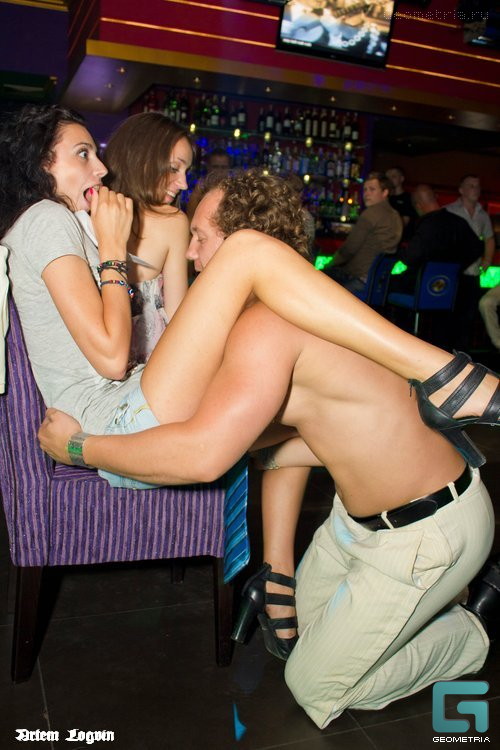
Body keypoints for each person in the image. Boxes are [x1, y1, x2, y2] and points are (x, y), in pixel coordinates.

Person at [38, 170, 500, 729]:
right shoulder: (287, 314)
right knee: (309, 628)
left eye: (201, 237)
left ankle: (471, 628)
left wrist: (79, 447)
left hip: (427, 533)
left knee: (314, 685)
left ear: (242, 243)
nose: (191, 253)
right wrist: (276, 571)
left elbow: (203, 456)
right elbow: (276, 453)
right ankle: (425, 601)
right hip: (354, 526)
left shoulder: (267, 327)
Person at [1, 106, 497, 489]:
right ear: (39, 162)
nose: (101, 167)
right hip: (111, 420)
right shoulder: (45, 219)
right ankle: (445, 378)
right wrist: (113, 250)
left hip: (133, 404)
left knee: (303, 379)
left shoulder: (67, 225)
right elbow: (111, 358)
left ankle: (424, 422)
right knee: (246, 252)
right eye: (83, 154)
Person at [99, 112, 191, 363]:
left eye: (186, 171)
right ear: (140, 158)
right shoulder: (84, 212)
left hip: (148, 368)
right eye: (174, 168)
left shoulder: (174, 222)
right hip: (104, 367)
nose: (184, 184)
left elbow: (178, 321)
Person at [390, 184, 485, 350]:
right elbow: (478, 247)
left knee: (391, 286)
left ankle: (399, 345)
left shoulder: (426, 225)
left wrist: (397, 259)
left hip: (423, 291)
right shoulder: (458, 221)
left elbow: (411, 257)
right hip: (452, 292)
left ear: (418, 205)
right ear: (435, 198)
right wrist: (455, 268)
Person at [324, 172, 402, 294]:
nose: (366, 194)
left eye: (372, 189)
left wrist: (330, 263)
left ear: (385, 192)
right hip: (380, 282)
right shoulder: (395, 215)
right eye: (365, 189)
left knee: (316, 278)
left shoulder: (371, 213)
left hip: (359, 280)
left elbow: (349, 249)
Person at [446, 174, 495, 271]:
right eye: (471, 186)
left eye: (478, 186)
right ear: (461, 190)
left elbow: (489, 238)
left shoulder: (483, 215)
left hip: (474, 270)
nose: (476, 189)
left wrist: (488, 260)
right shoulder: (448, 211)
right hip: (453, 269)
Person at [185, 147, 231, 223]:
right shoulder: (200, 189)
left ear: (228, 168)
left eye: (223, 167)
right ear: (208, 167)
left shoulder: (233, 189)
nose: (219, 171)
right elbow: (191, 219)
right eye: (215, 167)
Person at [386, 165, 417, 241]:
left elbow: (403, 223)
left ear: (402, 179)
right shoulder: (385, 198)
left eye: (394, 176)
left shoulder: (408, 198)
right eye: (388, 177)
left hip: (402, 240)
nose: (390, 179)